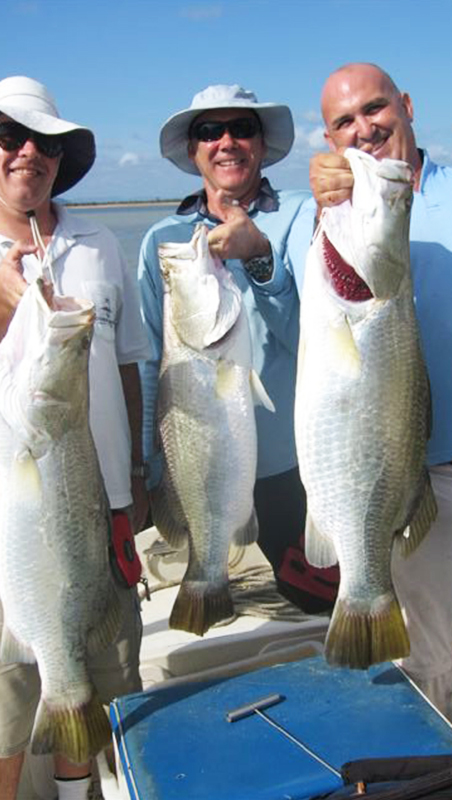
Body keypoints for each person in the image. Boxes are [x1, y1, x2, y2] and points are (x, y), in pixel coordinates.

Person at [0, 76, 150, 800]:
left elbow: (127, 363)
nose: (29, 153)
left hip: (103, 508)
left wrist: (138, 473)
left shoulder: (99, 244)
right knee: (0, 716)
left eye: (47, 143)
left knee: (92, 679)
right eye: (11, 136)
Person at [288, 62, 452, 719]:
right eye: (343, 123)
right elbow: (271, 284)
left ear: (407, 106)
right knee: (437, 656)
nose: (364, 129)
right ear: (328, 139)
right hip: (408, 473)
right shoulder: (317, 215)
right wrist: (328, 202)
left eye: (375, 109)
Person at [138, 83, 340, 614]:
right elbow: (148, 360)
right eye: (209, 131)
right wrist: (148, 468)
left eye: (241, 128)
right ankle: (205, 587)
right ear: (193, 149)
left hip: (297, 467)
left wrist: (260, 258)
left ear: (261, 142)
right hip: (198, 462)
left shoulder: (302, 217)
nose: (226, 141)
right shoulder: (163, 238)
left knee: (317, 608)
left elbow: (322, 338)